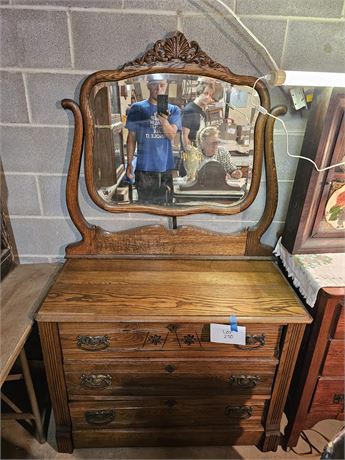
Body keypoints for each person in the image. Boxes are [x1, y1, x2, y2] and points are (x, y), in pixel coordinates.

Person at [125, 74, 181, 203]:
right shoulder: (137, 108)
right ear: (148, 86)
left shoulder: (173, 109)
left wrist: (163, 120)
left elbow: (171, 135)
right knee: (145, 207)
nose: (159, 88)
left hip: (165, 167)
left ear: (166, 86)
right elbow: (131, 137)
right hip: (144, 167)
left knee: (165, 206)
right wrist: (129, 163)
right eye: (155, 84)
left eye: (162, 85)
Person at [181, 81, 214, 150]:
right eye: (206, 93)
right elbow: (184, 136)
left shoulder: (203, 113)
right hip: (191, 155)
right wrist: (191, 154)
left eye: (210, 95)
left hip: (200, 152)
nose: (208, 97)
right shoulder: (189, 110)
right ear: (199, 93)